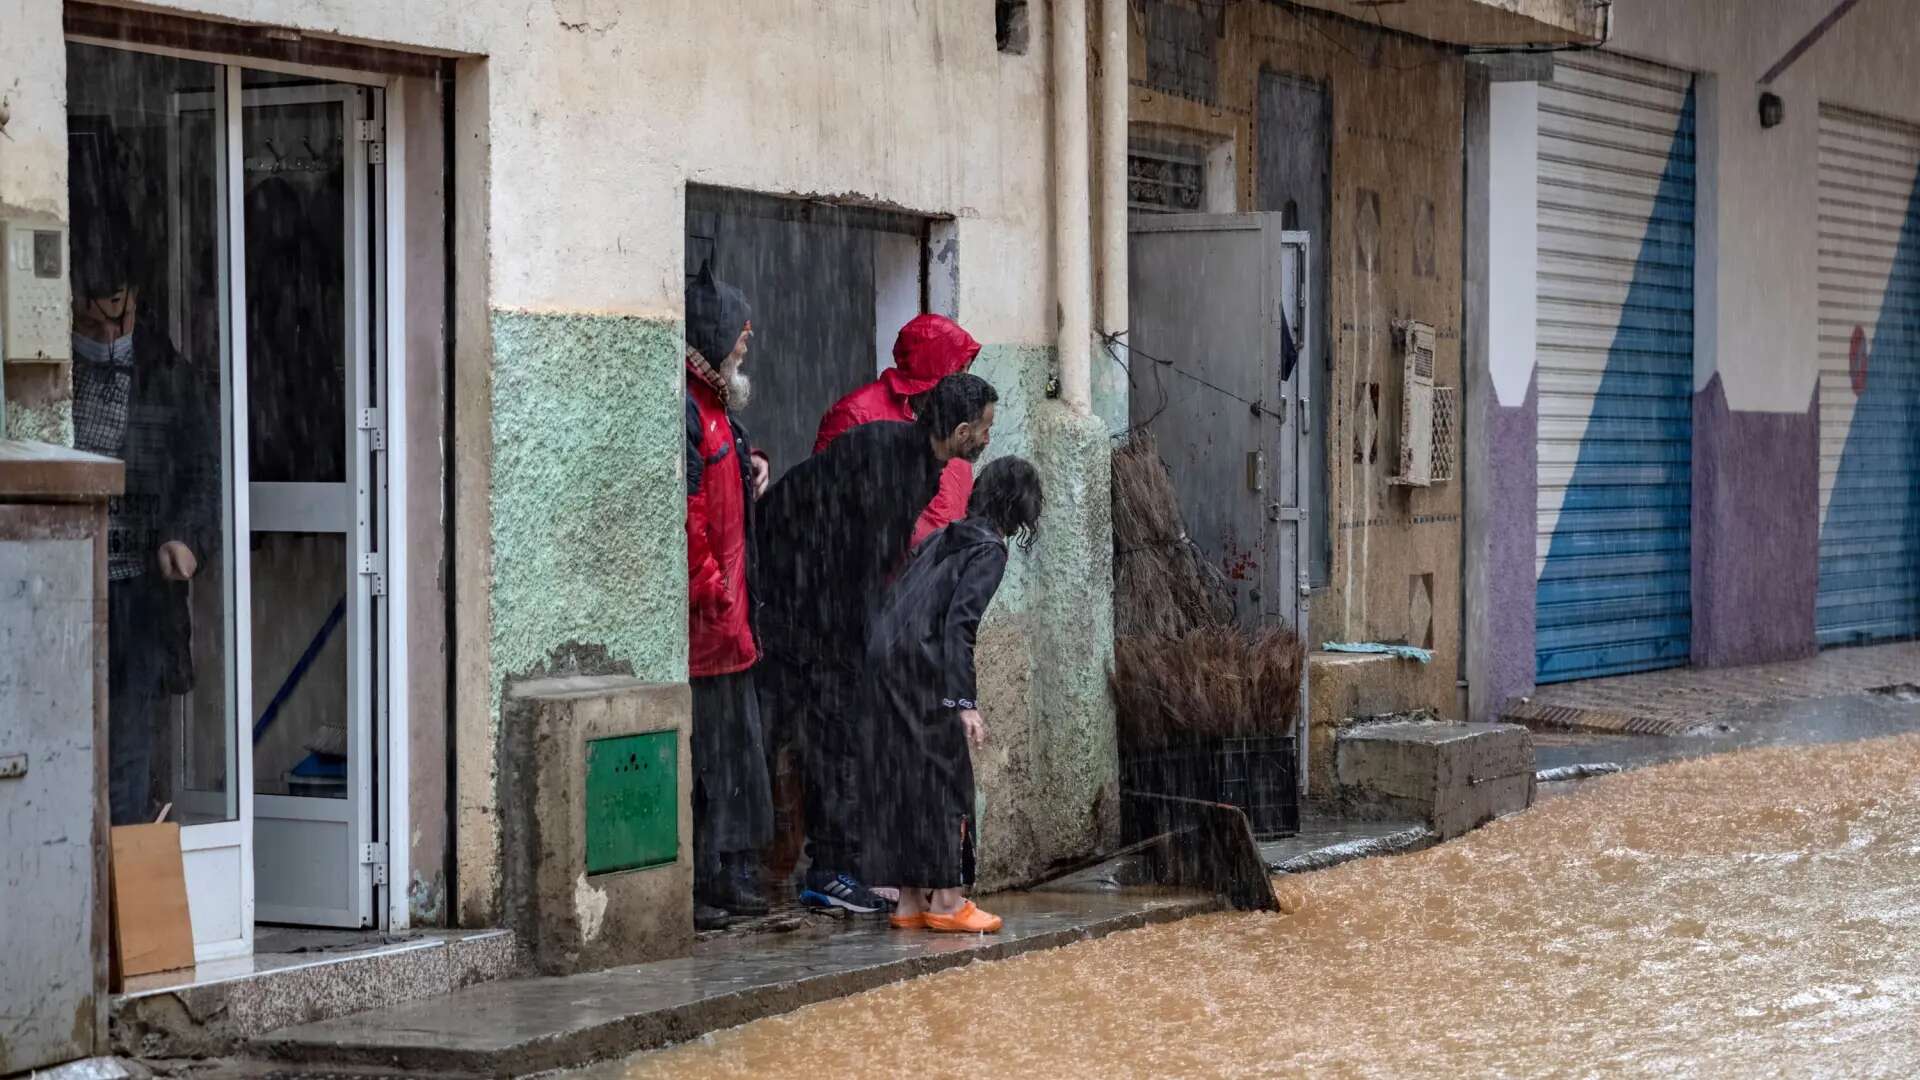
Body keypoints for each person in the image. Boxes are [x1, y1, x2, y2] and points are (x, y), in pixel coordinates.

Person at [754, 372, 999, 914]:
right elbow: (862, 558)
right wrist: (872, 641)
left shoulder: (915, 459)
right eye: (984, 429)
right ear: (960, 432)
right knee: (821, 735)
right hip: (793, 605)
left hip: (809, 601)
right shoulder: (895, 466)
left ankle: (828, 866)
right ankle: (828, 870)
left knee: (818, 734)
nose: (987, 439)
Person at [68, 176, 220, 826]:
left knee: (127, 751)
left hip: (135, 598)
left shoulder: (167, 374)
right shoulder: (53, 374)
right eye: (93, 320)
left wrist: (186, 538)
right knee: (65, 741)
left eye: (120, 317)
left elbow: (204, 471)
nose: (108, 333)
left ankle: (119, 896)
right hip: (70, 591)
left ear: (138, 301)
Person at [863, 456, 1042, 934]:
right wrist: (963, 702)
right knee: (948, 779)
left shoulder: (947, 534)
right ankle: (946, 900)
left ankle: (907, 902)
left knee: (907, 779)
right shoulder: (989, 551)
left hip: (884, 662)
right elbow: (959, 625)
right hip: (923, 671)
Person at [683, 263, 776, 930]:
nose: (746, 347)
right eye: (740, 338)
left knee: (738, 756)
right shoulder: (691, 411)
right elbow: (687, 514)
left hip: (727, 621)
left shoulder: (714, 412)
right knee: (723, 760)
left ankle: (728, 877)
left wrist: (754, 461)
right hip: (711, 625)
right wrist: (712, 593)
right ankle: (714, 881)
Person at [814, 313, 982, 549]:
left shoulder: (952, 419)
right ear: (934, 373)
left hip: (936, 571)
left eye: (967, 371)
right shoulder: (857, 414)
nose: (966, 382)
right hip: (876, 571)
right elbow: (821, 500)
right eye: (959, 372)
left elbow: (954, 499)